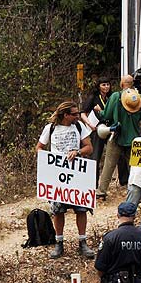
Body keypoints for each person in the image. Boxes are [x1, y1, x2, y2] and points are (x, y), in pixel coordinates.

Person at [36, 101, 96, 258]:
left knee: (81, 209)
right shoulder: (51, 128)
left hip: (76, 175)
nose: (78, 116)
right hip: (58, 176)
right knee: (58, 211)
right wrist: (48, 162)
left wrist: (78, 151)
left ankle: (83, 242)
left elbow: (89, 147)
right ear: (66, 115)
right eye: (74, 114)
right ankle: (59, 243)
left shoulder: (79, 126)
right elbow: (39, 147)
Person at [96, 82, 141, 200]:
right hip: (135, 138)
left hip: (116, 136)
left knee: (109, 164)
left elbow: (106, 115)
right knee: (135, 167)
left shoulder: (115, 96)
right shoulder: (140, 98)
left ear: (121, 84)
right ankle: (138, 193)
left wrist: (99, 111)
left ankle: (101, 192)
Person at [80, 78, 112, 184]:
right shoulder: (93, 98)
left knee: (116, 152)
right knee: (95, 155)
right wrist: (89, 124)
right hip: (96, 129)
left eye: (108, 84)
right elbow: (83, 113)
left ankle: (123, 180)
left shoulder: (111, 97)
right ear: (99, 86)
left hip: (109, 128)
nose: (106, 87)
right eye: (103, 85)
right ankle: (93, 183)